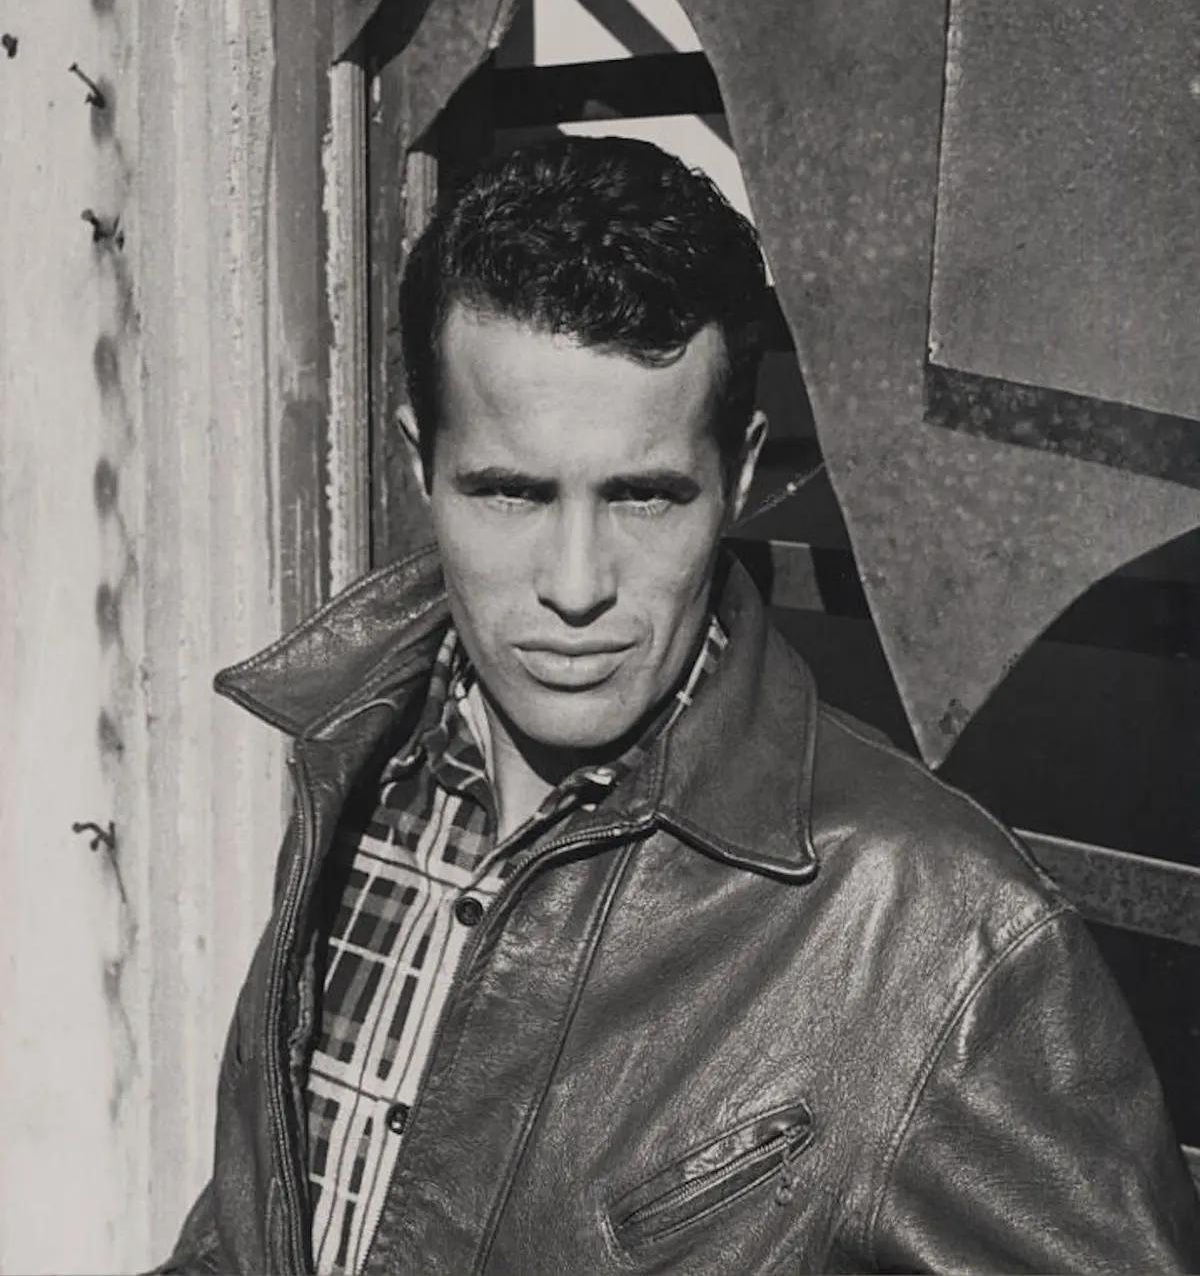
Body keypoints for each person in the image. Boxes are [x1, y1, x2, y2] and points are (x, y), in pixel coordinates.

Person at [161, 137, 1200, 1275]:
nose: (574, 585)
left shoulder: (937, 933)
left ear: (739, 476)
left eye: (644, 497)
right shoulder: (356, 758)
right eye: (510, 493)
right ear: (422, 466)